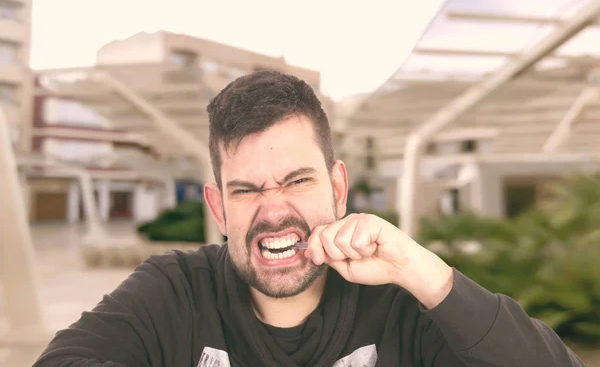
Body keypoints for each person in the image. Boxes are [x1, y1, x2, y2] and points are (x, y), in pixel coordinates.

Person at [34, 71, 584, 367]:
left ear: (338, 187)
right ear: (219, 208)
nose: (273, 211)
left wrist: (423, 270)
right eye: (246, 190)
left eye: (298, 180)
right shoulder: (173, 290)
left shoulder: (401, 306)